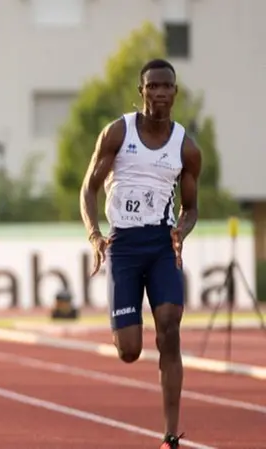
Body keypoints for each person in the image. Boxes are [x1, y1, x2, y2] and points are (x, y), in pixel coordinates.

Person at [79, 59, 202, 449]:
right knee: (130, 351)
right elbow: (89, 188)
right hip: (124, 246)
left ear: (175, 93)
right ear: (142, 92)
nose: (160, 93)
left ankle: (170, 433)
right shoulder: (118, 133)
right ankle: (127, 322)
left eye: (167, 86)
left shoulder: (186, 146)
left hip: (162, 246)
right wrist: (95, 235)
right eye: (153, 87)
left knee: (170, 326)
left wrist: (181, 232)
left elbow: (191, 207)